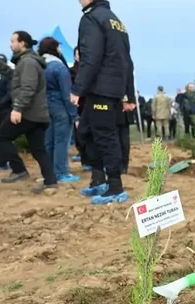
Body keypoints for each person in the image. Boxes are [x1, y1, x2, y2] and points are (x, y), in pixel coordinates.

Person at [71, 0, 136, 205]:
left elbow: (90, 57)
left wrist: (77, 89)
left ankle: (115, 186)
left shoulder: (91, 18)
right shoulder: (115, 21)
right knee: (86, 132)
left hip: (101, 88)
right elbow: (127, 61)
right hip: (109, 87)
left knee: (105, 136)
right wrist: (128, 94)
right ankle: (98, 179)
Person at [0, 30, 57, 193]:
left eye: (13, 41)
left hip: (28, 113)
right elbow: (15, 77)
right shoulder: (27, 62)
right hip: (37, 114)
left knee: (0, 138)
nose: (10, 44)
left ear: (22, 43)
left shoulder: (28, 63)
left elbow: (28, 87)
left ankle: (19, 170)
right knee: (38, 149)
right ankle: (50, 181)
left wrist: (18, 108)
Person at [38, 36, 80, 183]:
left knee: (49, 141)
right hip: (60, 108)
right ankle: (61, 172)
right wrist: (74, 115)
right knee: (61, 141)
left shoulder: (40, 66)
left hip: (45, 107)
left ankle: (49, 172)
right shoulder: (59, 67)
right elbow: (66, 93)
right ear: (54, 48)